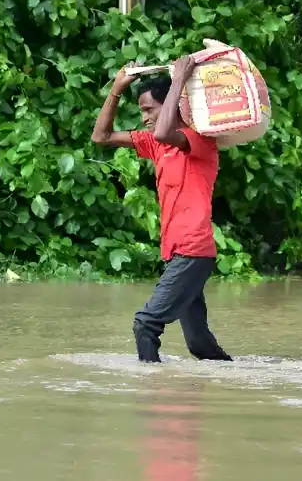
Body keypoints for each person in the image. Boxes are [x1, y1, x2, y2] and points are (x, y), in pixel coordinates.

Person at [91, 56, 233, 363]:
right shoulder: (158, 146)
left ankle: (150, 386)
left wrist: (179, 80)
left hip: (193, 251)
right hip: (177, 253)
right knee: (199, 345)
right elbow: (100, 136)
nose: (144, 118)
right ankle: (238, 382)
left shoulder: (199, 141)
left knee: (145, 323)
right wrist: (116, 89)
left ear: (170, 103)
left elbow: (164, 132)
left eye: (148, 110)